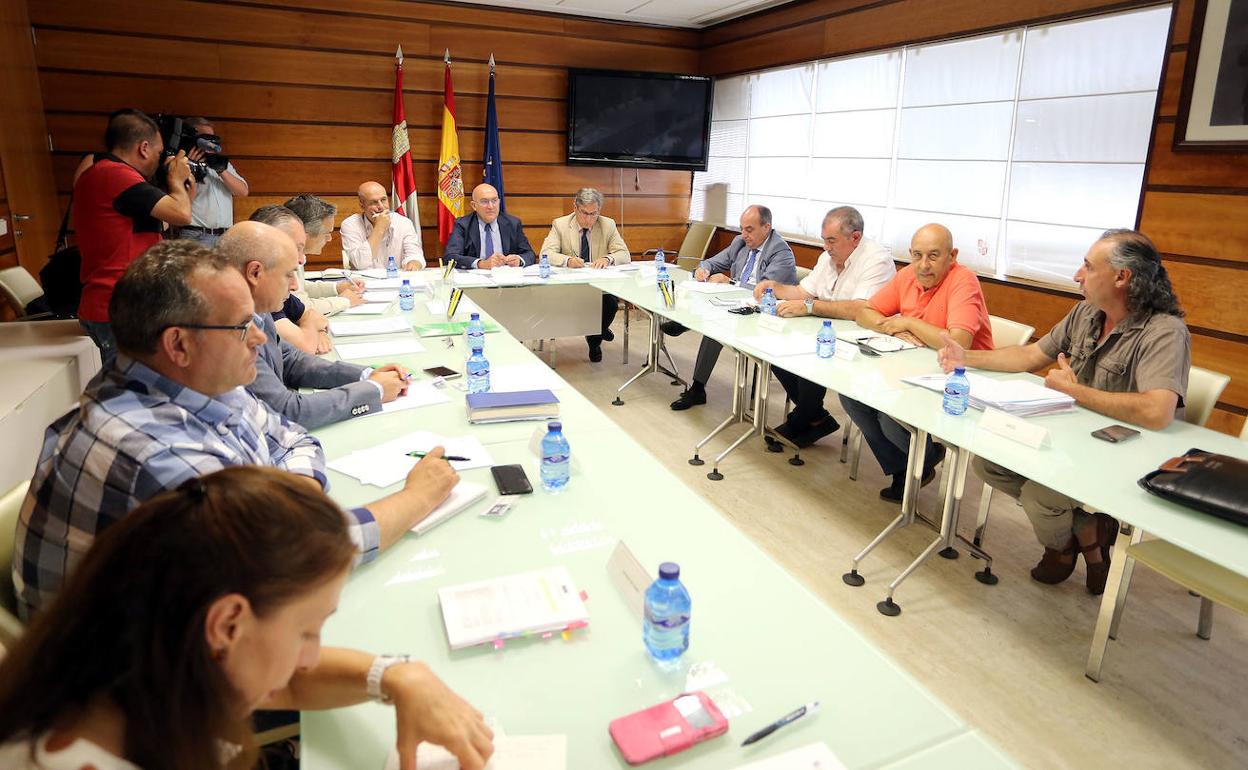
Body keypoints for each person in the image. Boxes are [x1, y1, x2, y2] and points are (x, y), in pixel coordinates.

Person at [12, 240, 458, 619]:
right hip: (135, 699)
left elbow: (291, 436)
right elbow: (304, 555)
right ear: (179, 344)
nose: (260, 339)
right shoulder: (155, 457)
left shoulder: (193, 380)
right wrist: (418, 496)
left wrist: (278, 504)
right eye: (241, 327)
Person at [0, 466, 494, 770]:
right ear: (228, 624)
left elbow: (284, 682)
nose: (311, 657)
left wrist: (395, 675)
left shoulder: (131, 659)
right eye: (307, 630)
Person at [940, 229, 1190, 594]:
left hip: (1126, 451)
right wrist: (967, 358)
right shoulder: (1089, 311)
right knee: (988, 463)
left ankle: (1060, 546)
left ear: (1122, 277)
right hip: (1074, 437)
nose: (1077, 275)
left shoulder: (1164, 332)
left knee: (1041, 495)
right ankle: (1089, 532)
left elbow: (1157, 412)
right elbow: (1030, 355)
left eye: (1088, 267)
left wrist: (1075, 392)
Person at [839, 223, 993, 502]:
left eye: (934, 256)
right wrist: (894, 328)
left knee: (890, 415)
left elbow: (958, 343)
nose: (924, 265)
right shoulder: (907, 275)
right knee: (852, 397)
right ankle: (905, 466)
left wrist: (908, 322)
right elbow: (865, 313)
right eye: (917, 255)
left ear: (952, 255)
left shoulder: (964, 281)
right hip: (914, 367)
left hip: (962, 378)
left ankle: (925, 458)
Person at [218, 221, 409, 429]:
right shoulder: (228, 325)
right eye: (288, 274)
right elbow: (287, 411)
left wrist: (366, 375)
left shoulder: (259, 309)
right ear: (255, 273)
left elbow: (290, 360)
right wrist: (374, 390)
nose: (295, 285)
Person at [751, 206, 896, 447]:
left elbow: (861, 309)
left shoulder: (876, 259)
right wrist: (775, 287)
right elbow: (803, 292)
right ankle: (813, 416)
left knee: (811, 354)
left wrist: (810, 307)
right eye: (824, 240)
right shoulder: (829, 257)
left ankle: (806, 417)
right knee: (775, 347)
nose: (825, 247)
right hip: (830, 331)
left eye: (831, 241)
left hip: (865, 341)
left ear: (855, 237)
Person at [73, 108, 195, 359]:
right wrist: (175, 179)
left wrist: (185, 191)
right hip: (119, 305)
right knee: (131, 391)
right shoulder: (115, 174)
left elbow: (162, 222)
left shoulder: (104, 175)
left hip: (117, 302)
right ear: (144, 148)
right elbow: (182, 214)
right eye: (159, 153)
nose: (159, 160)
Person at [665, 205, 797, 410]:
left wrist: (731, 283)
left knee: (715, 323)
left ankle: (688, 325)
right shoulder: (740, 242)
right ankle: (698, 388)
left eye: (749, 229)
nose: (744, 234)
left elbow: (766, 290)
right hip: (734, 305)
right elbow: (713, 262)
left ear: (767, 227)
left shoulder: (781, 253)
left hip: (763, 315)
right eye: (742, 228)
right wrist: (704, 270)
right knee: (715, 320)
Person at [538, 188, 631, 362]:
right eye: (584, 213)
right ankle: (599, 331)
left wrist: (608, 258)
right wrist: (567, 260)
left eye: (593, 214)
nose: (589, 219)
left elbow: (624, 254)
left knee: (610, 303)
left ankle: (594, 340)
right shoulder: (561, 224)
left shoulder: (607, 224)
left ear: (599, 211)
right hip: (571, 288)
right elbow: (546, 253)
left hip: (599, 287)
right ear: (575, 207)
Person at [249, 205, 333, 354]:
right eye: (297, 248)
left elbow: (313, 315)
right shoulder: (264, 292)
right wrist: (311, 326)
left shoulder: (276, 287)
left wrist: (316, 330)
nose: (301, 259)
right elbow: (306, 345)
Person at [284, 193, 366, 315]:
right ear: (305, 234)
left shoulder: (295, 253)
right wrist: (344, 301)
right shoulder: (284, 258)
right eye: (327, 233)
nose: (329, 239)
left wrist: (337, 288)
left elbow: (301, 288)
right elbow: (302, 308)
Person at [178, 116, 249, 246]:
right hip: (196, 234)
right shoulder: (180, 164)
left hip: (225, 235)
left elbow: (243, 191)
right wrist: (192, 168)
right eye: (205, 137)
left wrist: (221, 171)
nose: (210, 142)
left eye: (212, 138)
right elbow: (180, 201)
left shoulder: (222, 164)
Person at [444, 183, 536, 269]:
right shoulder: (463, 225)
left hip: (505, 279)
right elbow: (450, 257)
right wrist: (481, 264)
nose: (491, 206)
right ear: (474, 205)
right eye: (485, 202)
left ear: (499, 202)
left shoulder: (513, 223)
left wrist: (519, 260)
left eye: (494, 201)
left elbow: (530, 254)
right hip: (475, 280)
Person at [339, 181, 425, 271]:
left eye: (383, 200)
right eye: (374, 202)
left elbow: (415, 254)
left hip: (397, 280)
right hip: (366, 282)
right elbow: (360, 263)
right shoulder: (350, 225)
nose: (381, 207)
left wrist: (414, 262)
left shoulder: (404, 222)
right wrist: (379, 227)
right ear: (362, 205)